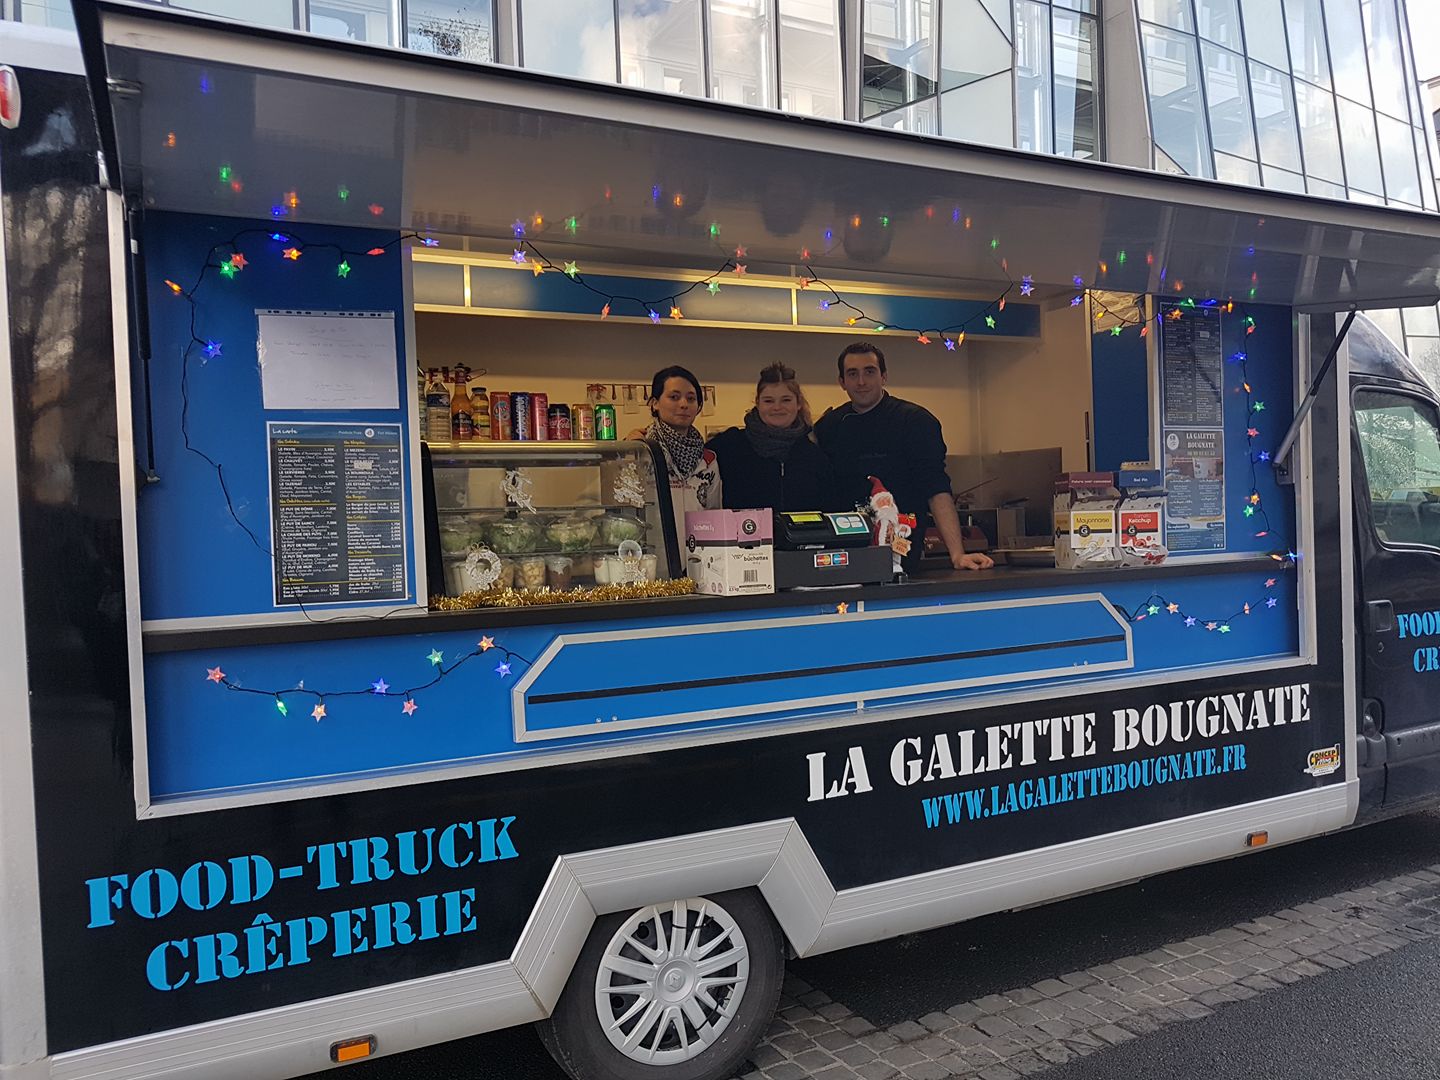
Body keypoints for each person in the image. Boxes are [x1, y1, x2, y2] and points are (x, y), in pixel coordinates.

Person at [814, 342, 993, 572]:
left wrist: (957, 554)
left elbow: (936, 488)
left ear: (884, 376)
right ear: (842, 382)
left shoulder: (915, 422)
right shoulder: (829, 427)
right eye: (852, 374)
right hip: (843, 555)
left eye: (870, 372)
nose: (861, 381)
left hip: (903, 553)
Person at [705, 363, 836, 514]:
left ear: (798, 403)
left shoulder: (815, 456)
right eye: (768, 401)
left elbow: (829, 509)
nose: (777, 407)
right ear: (757, 403)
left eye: (786, 400)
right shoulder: (730, 446)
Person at [637, 365, 722, 545]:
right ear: (655, 403)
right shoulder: (640, 452)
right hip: (651, 554)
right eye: (674, 397)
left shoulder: (708, 460)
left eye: (691, 399)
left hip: (698, 554)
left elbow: (713, 514)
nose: (683, 404)